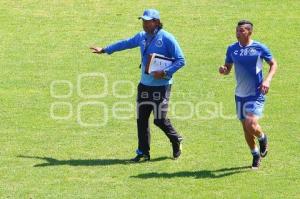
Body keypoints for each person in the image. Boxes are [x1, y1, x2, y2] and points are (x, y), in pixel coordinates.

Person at [90, 9, 185, 162]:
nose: (144, 24)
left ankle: (176, 139)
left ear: (156, 21)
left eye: (147, 21)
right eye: (143, 21)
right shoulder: (141, 37)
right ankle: (143, 153)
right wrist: (106, 50)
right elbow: (125, 43)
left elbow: (181, 60)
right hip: (144, 85)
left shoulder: (167, 38)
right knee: (141, 120)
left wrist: (165, 72)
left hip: (162, 86)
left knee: (159, 120)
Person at [219, 20, 277, 169]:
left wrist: (267, 81)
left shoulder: (259, 48)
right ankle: (255, 154)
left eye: (242, 31)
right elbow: (228, 67)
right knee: (245, 128)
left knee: (251, 124)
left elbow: (273, 64)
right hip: (240, 94)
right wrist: (224, 70)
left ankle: (262, 138)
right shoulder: (232, 49)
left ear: (249, 32)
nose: (238, 33)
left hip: (256, 92)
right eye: (237, 30)